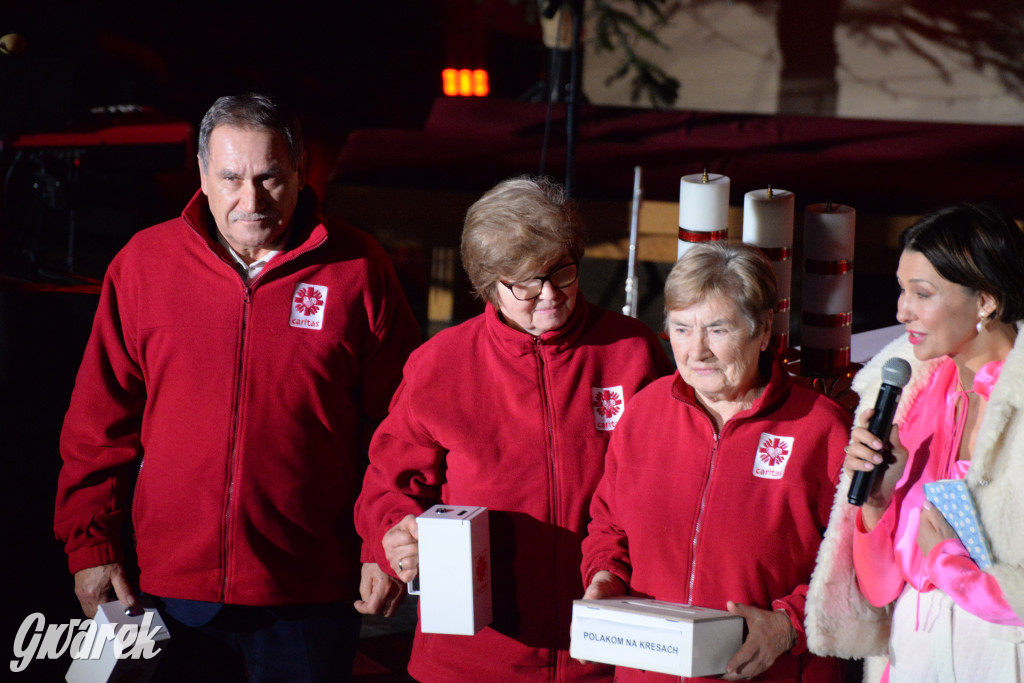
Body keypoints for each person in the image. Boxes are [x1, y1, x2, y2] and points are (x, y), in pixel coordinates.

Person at [53, 92, 420, 682]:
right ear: (202, 174)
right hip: (163, 591)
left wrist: (384, 541)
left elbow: (399, 432)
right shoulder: (144, 264)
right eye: (231, 178)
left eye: (270, 177)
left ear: (302, 173)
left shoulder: (357, 268)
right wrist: (91, 548)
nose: (250, 200)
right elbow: (99, 425)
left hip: (308, 593)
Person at [354, 175, 672, 682]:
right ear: (488, 283)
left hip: (603, 652)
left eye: (561, 272)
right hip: (471, 658)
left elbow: (666, 481)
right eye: (524, 281)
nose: (548, 294)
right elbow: (391, 483)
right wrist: (394, 535)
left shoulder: (630, 351)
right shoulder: (439, 364)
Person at [581, 241, 850, 682]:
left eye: (718, 330)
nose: (697, 351)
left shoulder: (820, 429)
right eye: (682, 329)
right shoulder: (645, 412)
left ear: (763, 331)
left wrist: (788, 625)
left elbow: (857, 564)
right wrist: (604, 575)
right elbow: (608, 524)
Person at [806, 203, 1024, 683]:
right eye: (902, 290)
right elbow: (881, 588)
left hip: (1001, 657)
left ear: (985, 300)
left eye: (921, 293)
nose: (902, 310)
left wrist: (952, 569)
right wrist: (878, 499)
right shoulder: (912, 396)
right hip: (911, 654)